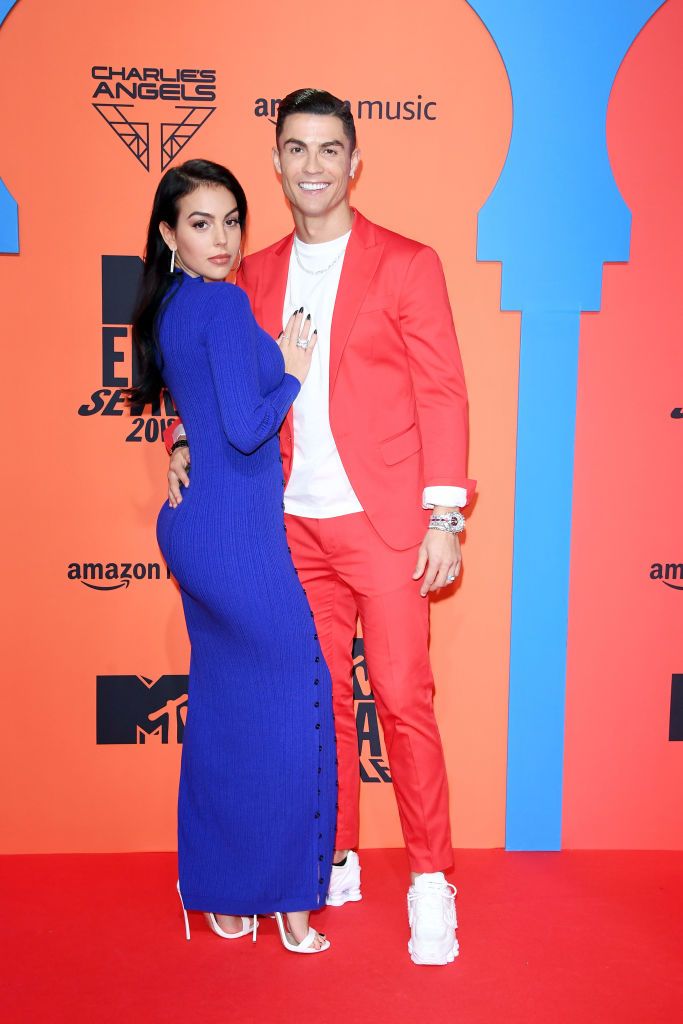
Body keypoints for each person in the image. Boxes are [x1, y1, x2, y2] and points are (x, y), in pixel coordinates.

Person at [166, 92, 476, 966]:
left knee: (405, 703)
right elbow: (203, 371)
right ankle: (330, 856)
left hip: (381, 524)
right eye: (295, 149)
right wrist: (180, 436)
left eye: (328, 149)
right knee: (317, 708)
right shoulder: (248, 272)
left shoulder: (407, 263)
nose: (311, 167)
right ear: (275, 161)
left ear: (354, 159)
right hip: (282, 530)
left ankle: (428, 882)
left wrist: (443, 514)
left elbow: (442, 392)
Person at [131, 158, 336, 955]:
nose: (220, 239)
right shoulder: (220, 303)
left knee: (226, 714)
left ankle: (223, 893)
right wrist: (291, 368)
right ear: (168, 234)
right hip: (237, 539)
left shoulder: (172, 305)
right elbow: (250, 426)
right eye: (199, 223)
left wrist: (181, 438)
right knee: (296, 707)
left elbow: (201, 413)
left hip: (199, 530)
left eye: (230, 221)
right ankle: (287, 897)